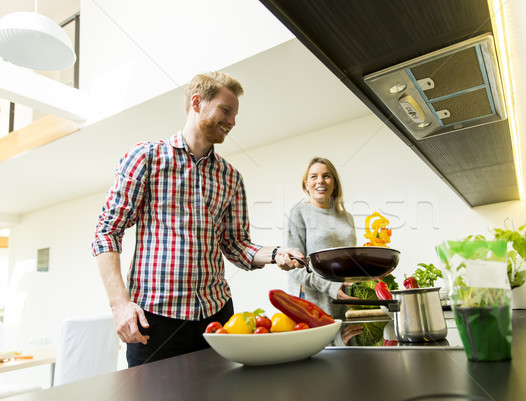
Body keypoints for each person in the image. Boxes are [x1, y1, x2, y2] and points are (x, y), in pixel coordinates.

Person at [92, 71, 304, 367]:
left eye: (235, 114)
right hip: (156, 320)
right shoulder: (147, 158)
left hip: (217, 317)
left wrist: (276, 253)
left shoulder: (230, 177)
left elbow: (236, 244)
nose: (232, 122)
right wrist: (119, 304)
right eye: (225, 110)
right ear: (197, 103)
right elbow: (107, 232)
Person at [283, 157, 358, 320]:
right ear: (305, 184)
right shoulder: (297, 212)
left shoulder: (347, 218)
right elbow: (295, 266)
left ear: (335, 183)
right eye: (314, 176)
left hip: (345, 303)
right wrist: (331, 287)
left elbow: (352, 263)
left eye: (326, 176)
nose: (320, 181)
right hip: (311, 305)